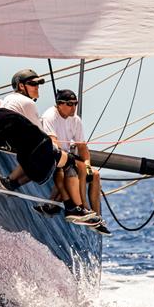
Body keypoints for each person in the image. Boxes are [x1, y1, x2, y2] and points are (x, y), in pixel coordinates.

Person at [41, 90, 108, 233]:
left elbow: (82, 146)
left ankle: (96, 219)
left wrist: (88, 163)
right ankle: (83, 208)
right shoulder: (50, 116)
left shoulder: (75, 119)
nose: (74, 107)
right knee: (80, 168)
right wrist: (72, 161)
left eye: (75, 104)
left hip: (67, 157)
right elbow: (54, 143)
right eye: (70, 104)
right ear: (59, 104)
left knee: (94, 174)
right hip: (53, 155)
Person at [0, 69, 46, 191]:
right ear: (21, 86)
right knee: (49, 153)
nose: (37, 87)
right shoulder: (27, 103)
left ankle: (11, 184)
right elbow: (42, 134)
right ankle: (10, 181)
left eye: (38, 84)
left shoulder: (10, 97)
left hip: (6, 137)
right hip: (15, 141)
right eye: (33, 84)